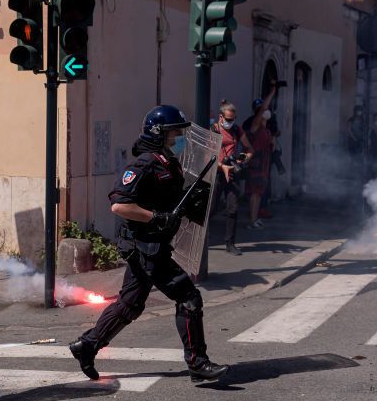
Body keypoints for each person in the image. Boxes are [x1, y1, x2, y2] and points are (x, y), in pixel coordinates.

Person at [69, 105, 229, 385]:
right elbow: (119, 205)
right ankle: (198, 363)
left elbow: (169, 197)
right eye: (174, 133)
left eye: (179, 132)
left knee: (131, 304)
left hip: (154, 245)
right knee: (189, 298)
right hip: (146, 247)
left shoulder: (168, 161)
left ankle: (88, 345)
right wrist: (155, 217)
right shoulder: (144, 164)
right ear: (158, 134)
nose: (178, 136)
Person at [211, 101, 253, 255]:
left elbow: (250, 149)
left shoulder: (237, 129)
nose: (230, 122)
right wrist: (223, 166)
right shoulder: (213, 129)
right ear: (221, 117)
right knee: (211, 208)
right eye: (228, 119)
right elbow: (207, 155)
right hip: (216, 172)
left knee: (233, 208)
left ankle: (230, 243)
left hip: (232, 172)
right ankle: (202, 243)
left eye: (233, 119)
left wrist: (244, 159)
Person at [242, 85, 280, 230]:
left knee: (258, 193)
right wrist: (272, 92)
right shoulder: (255, 125)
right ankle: (252, 220)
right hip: (256, 163)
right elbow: (263, 108)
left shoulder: (266, 129)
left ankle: (255, 218)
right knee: (254, 192)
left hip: (264, 163)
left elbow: (271, 144)